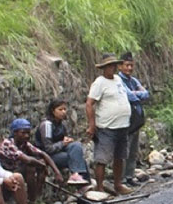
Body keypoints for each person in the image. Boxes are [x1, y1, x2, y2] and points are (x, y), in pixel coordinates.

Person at [85, 52, 133, 196]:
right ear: (104, 68)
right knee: (102, 158)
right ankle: (99, 188)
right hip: (107, 126)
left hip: (122, 125)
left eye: (114, 65)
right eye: (109, 66)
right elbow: (89, 103)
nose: (113, 68)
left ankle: (118, 184)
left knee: (120, 156)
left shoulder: (118, 79)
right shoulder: (99, 82)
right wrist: (92, 125)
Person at [0, 117, 66, 204]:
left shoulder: (24, 143)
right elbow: (27, 159)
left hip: (16, 170)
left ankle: (37, 200)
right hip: (6, 173)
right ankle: (31, 203)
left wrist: (57, 172)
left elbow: (43, 154)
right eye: (23, 133)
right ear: (15, 132)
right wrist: (42, 165)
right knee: (31, 167)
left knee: (40, 162)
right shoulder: (8, 144)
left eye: (28, 133)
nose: (26, 136)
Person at [34, 98, 90, 185]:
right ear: (53, 111)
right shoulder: (47, 125)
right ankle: (82, 185)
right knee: (75, 159)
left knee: (76, 146)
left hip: (58, 151)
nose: (63, 112)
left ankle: (80, 179)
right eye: (60, 109)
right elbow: (48, 148)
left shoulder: (61, 124)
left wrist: (68, 141)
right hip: (47, 156)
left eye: (64, 109)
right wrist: (63, 143)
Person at [118, 52, 150, 186]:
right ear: (120, 66)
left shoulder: (133, 80)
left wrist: (138, 94)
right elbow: (129, 96)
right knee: (125, 150)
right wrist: (139, 94)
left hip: (136, 121)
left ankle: (130, 176)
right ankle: (121, 179)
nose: (129, 68)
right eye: (127, 65)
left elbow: (147, 94)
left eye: (131, 65)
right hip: (126, 121)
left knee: (133, 150)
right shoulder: (119, 80)